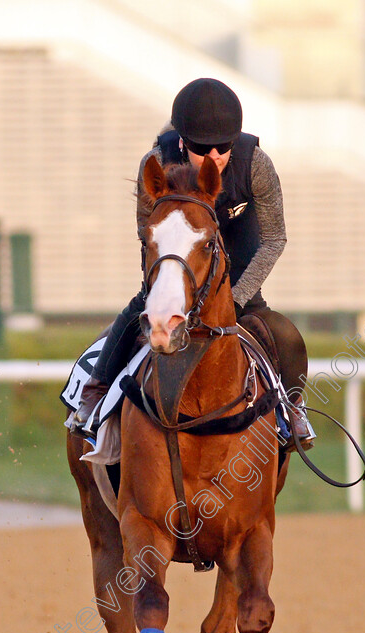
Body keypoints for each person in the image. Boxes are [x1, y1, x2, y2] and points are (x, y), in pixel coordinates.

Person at [77, 78, 314, 450]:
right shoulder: (156, 163)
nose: (217, 156)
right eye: (204, 148)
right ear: (183, 141)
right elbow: (149, 234)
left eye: (225, 146)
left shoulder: (257, 165)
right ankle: (95, 391)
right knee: (139, 308)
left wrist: (232, 300)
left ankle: (292, 406)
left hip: (237, 255)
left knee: (284, 335)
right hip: (179, 254)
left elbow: (274, 239)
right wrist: (166, 290)